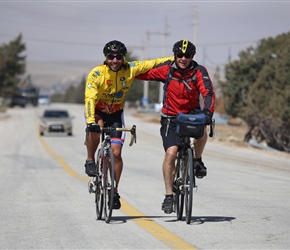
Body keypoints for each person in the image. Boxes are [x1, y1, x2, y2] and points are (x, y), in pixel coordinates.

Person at [84, 40, 173, 209]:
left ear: (123, 58)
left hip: (116, 113)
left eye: (118, 57)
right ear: (106, 58)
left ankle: (114, 191)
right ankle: (90, 160)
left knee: (116, 154)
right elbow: (90, 98)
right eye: (111, 57)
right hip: (97, 111)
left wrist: (174, 59)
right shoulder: (97, 73)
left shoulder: (130, 69)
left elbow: (152, 63)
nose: (115, 60)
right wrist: (90, 121)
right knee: (97, 127)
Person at [136, 39, 215, 214]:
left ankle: (197, 160)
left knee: (202, 130)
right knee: (171, 153)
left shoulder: (199, 71)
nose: (183, 58)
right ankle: (169, 195)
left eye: (187, 55)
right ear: (175, 55)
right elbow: (143, 74)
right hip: (171, 116)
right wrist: (124, 71)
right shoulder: (167, 70)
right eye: (180, 55)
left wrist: (208, 112)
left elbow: (208, 92)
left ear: (192, 56)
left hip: (191, 113)